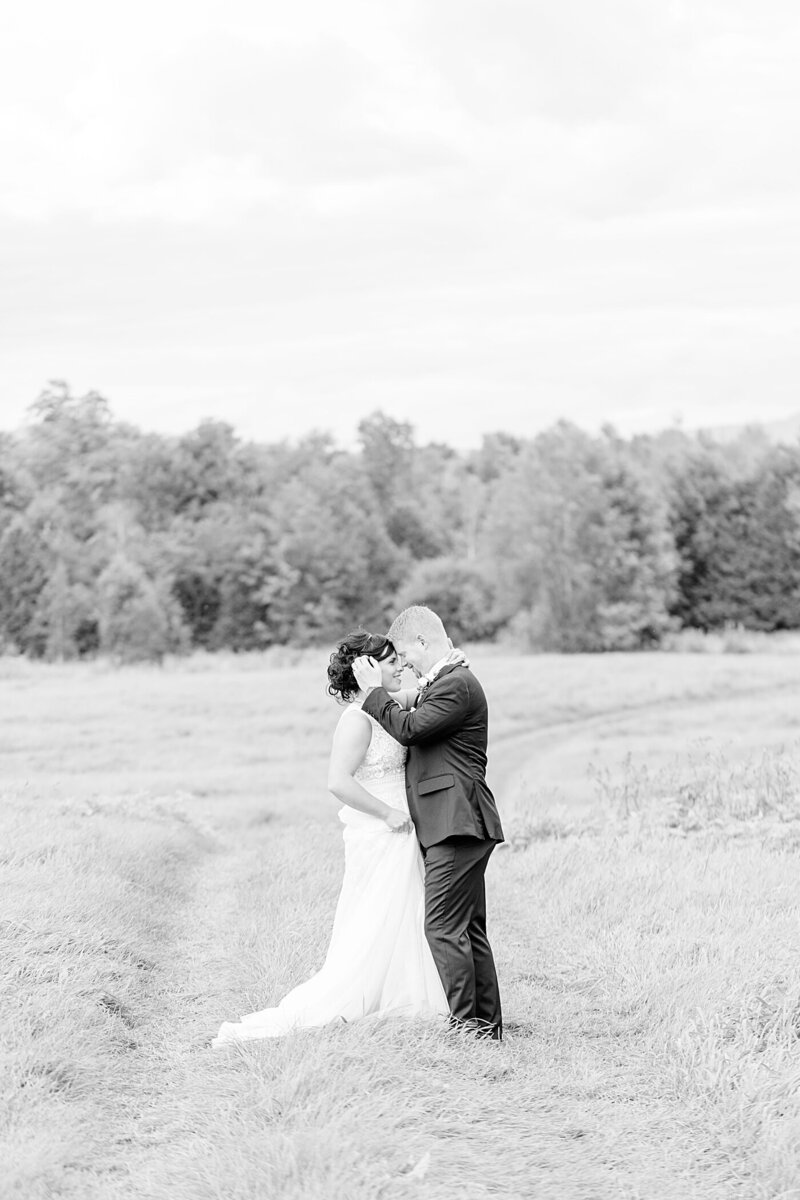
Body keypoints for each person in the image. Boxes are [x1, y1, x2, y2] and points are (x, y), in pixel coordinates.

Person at [212, 630, 449, 1046]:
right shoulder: (358, 720)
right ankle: (376, 997)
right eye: (391, 661)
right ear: (369, 669)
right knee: (381, 913)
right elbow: (337, 782)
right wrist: (388, 813)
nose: (401, 667)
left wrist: (446, 666)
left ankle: (414, 994)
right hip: (381, 828)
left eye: (399, 660)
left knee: (407, 911)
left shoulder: (386, 706)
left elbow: (423, 696)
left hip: (403, 826)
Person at [353, 605, 504, 1040]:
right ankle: (484, 1027)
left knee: (441, 926)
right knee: (468, 927)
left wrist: (370, 694)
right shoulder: (447, 681)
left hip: (456, 821)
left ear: (422, 642)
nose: (403, 663)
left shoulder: (457, 685)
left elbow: (412, 729)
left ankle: (465, 1028)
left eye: (404, 653)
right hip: (454, 821)